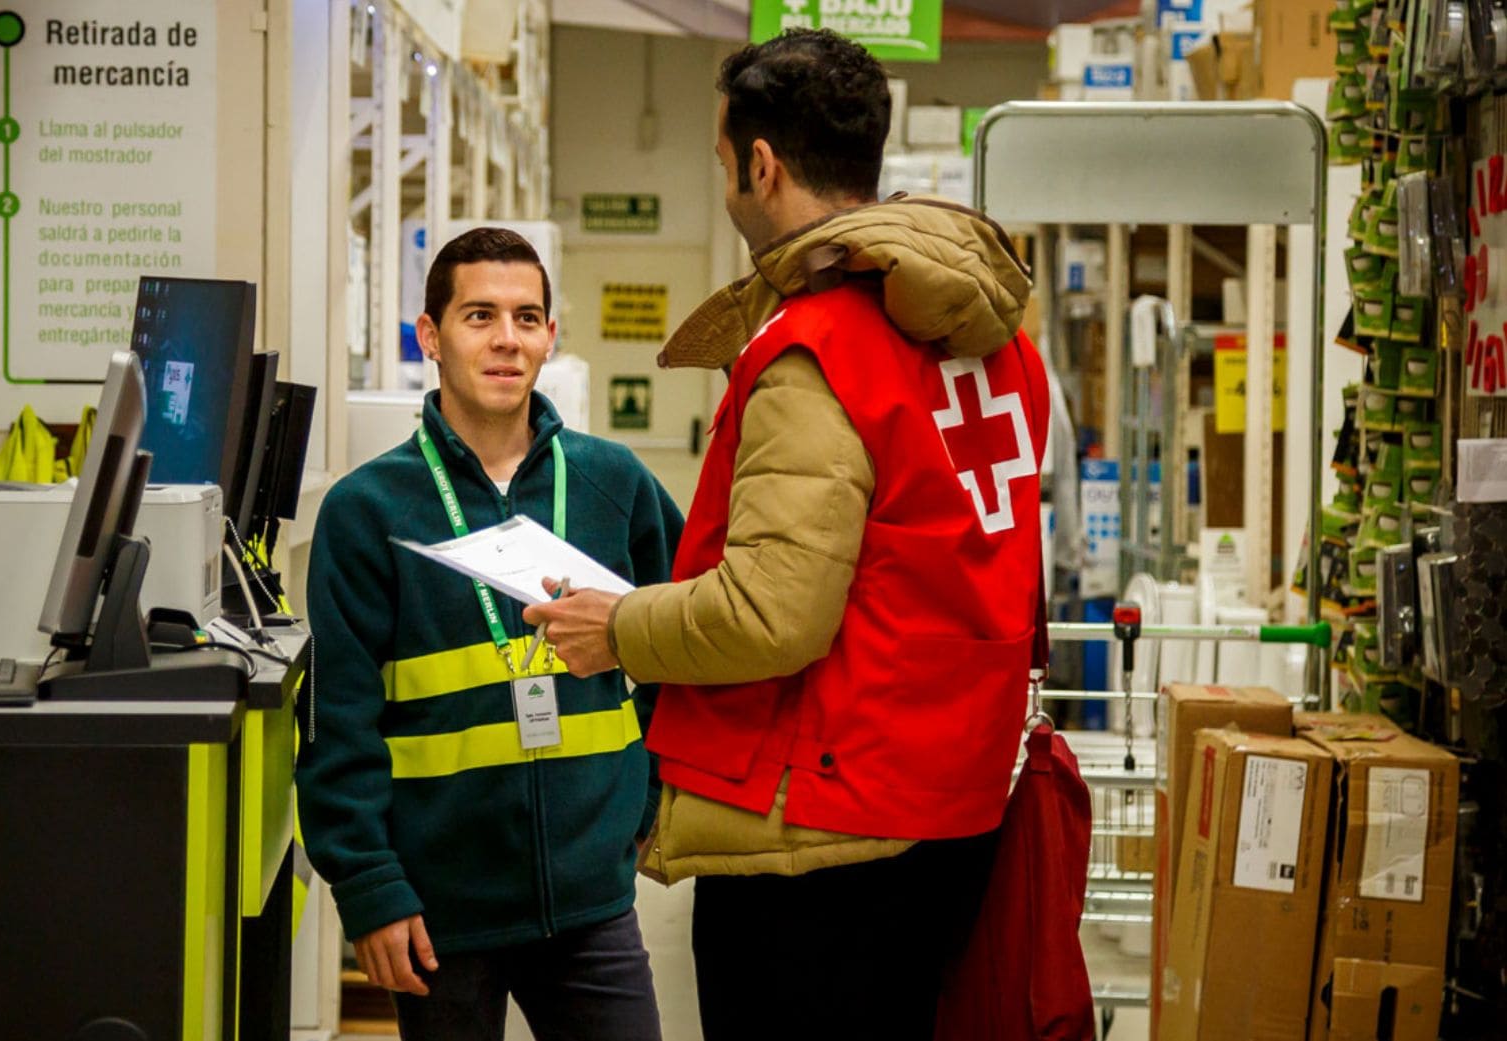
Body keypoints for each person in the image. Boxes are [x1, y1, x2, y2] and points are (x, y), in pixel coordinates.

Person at [523, 29, 1048, 1039]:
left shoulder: (817, 348)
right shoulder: (994, 340)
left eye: (721, 163)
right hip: (957, 794)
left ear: (760, 165)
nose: (725, 183)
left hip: (827, 823)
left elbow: (773, 616)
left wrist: (618, 626)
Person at [296, 227, 681, 1040]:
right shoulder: (369, 512)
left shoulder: (616, 484)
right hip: (440, 916)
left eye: (527, 316)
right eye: (479, 315)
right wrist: (370, 886)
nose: (508, 338)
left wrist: (645, 794)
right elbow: (341, 724)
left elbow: (685, 638)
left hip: (592, 902)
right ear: (430, 337)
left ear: (550, 336)